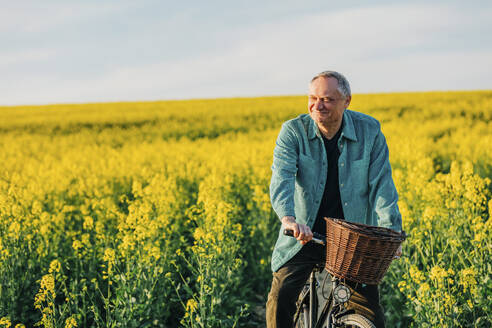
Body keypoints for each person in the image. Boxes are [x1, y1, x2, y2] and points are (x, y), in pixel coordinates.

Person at [266, 71, 402, 328]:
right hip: (304, 236)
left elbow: (382, 185)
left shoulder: (369, 131)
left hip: (353, 241)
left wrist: (392, 230)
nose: (318, 105)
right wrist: (289, 219)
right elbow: (281, 178)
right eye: (313, 98)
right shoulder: (293, 132)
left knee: (371, 313)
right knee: (281, 295)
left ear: (347, 101)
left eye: (327, 99)